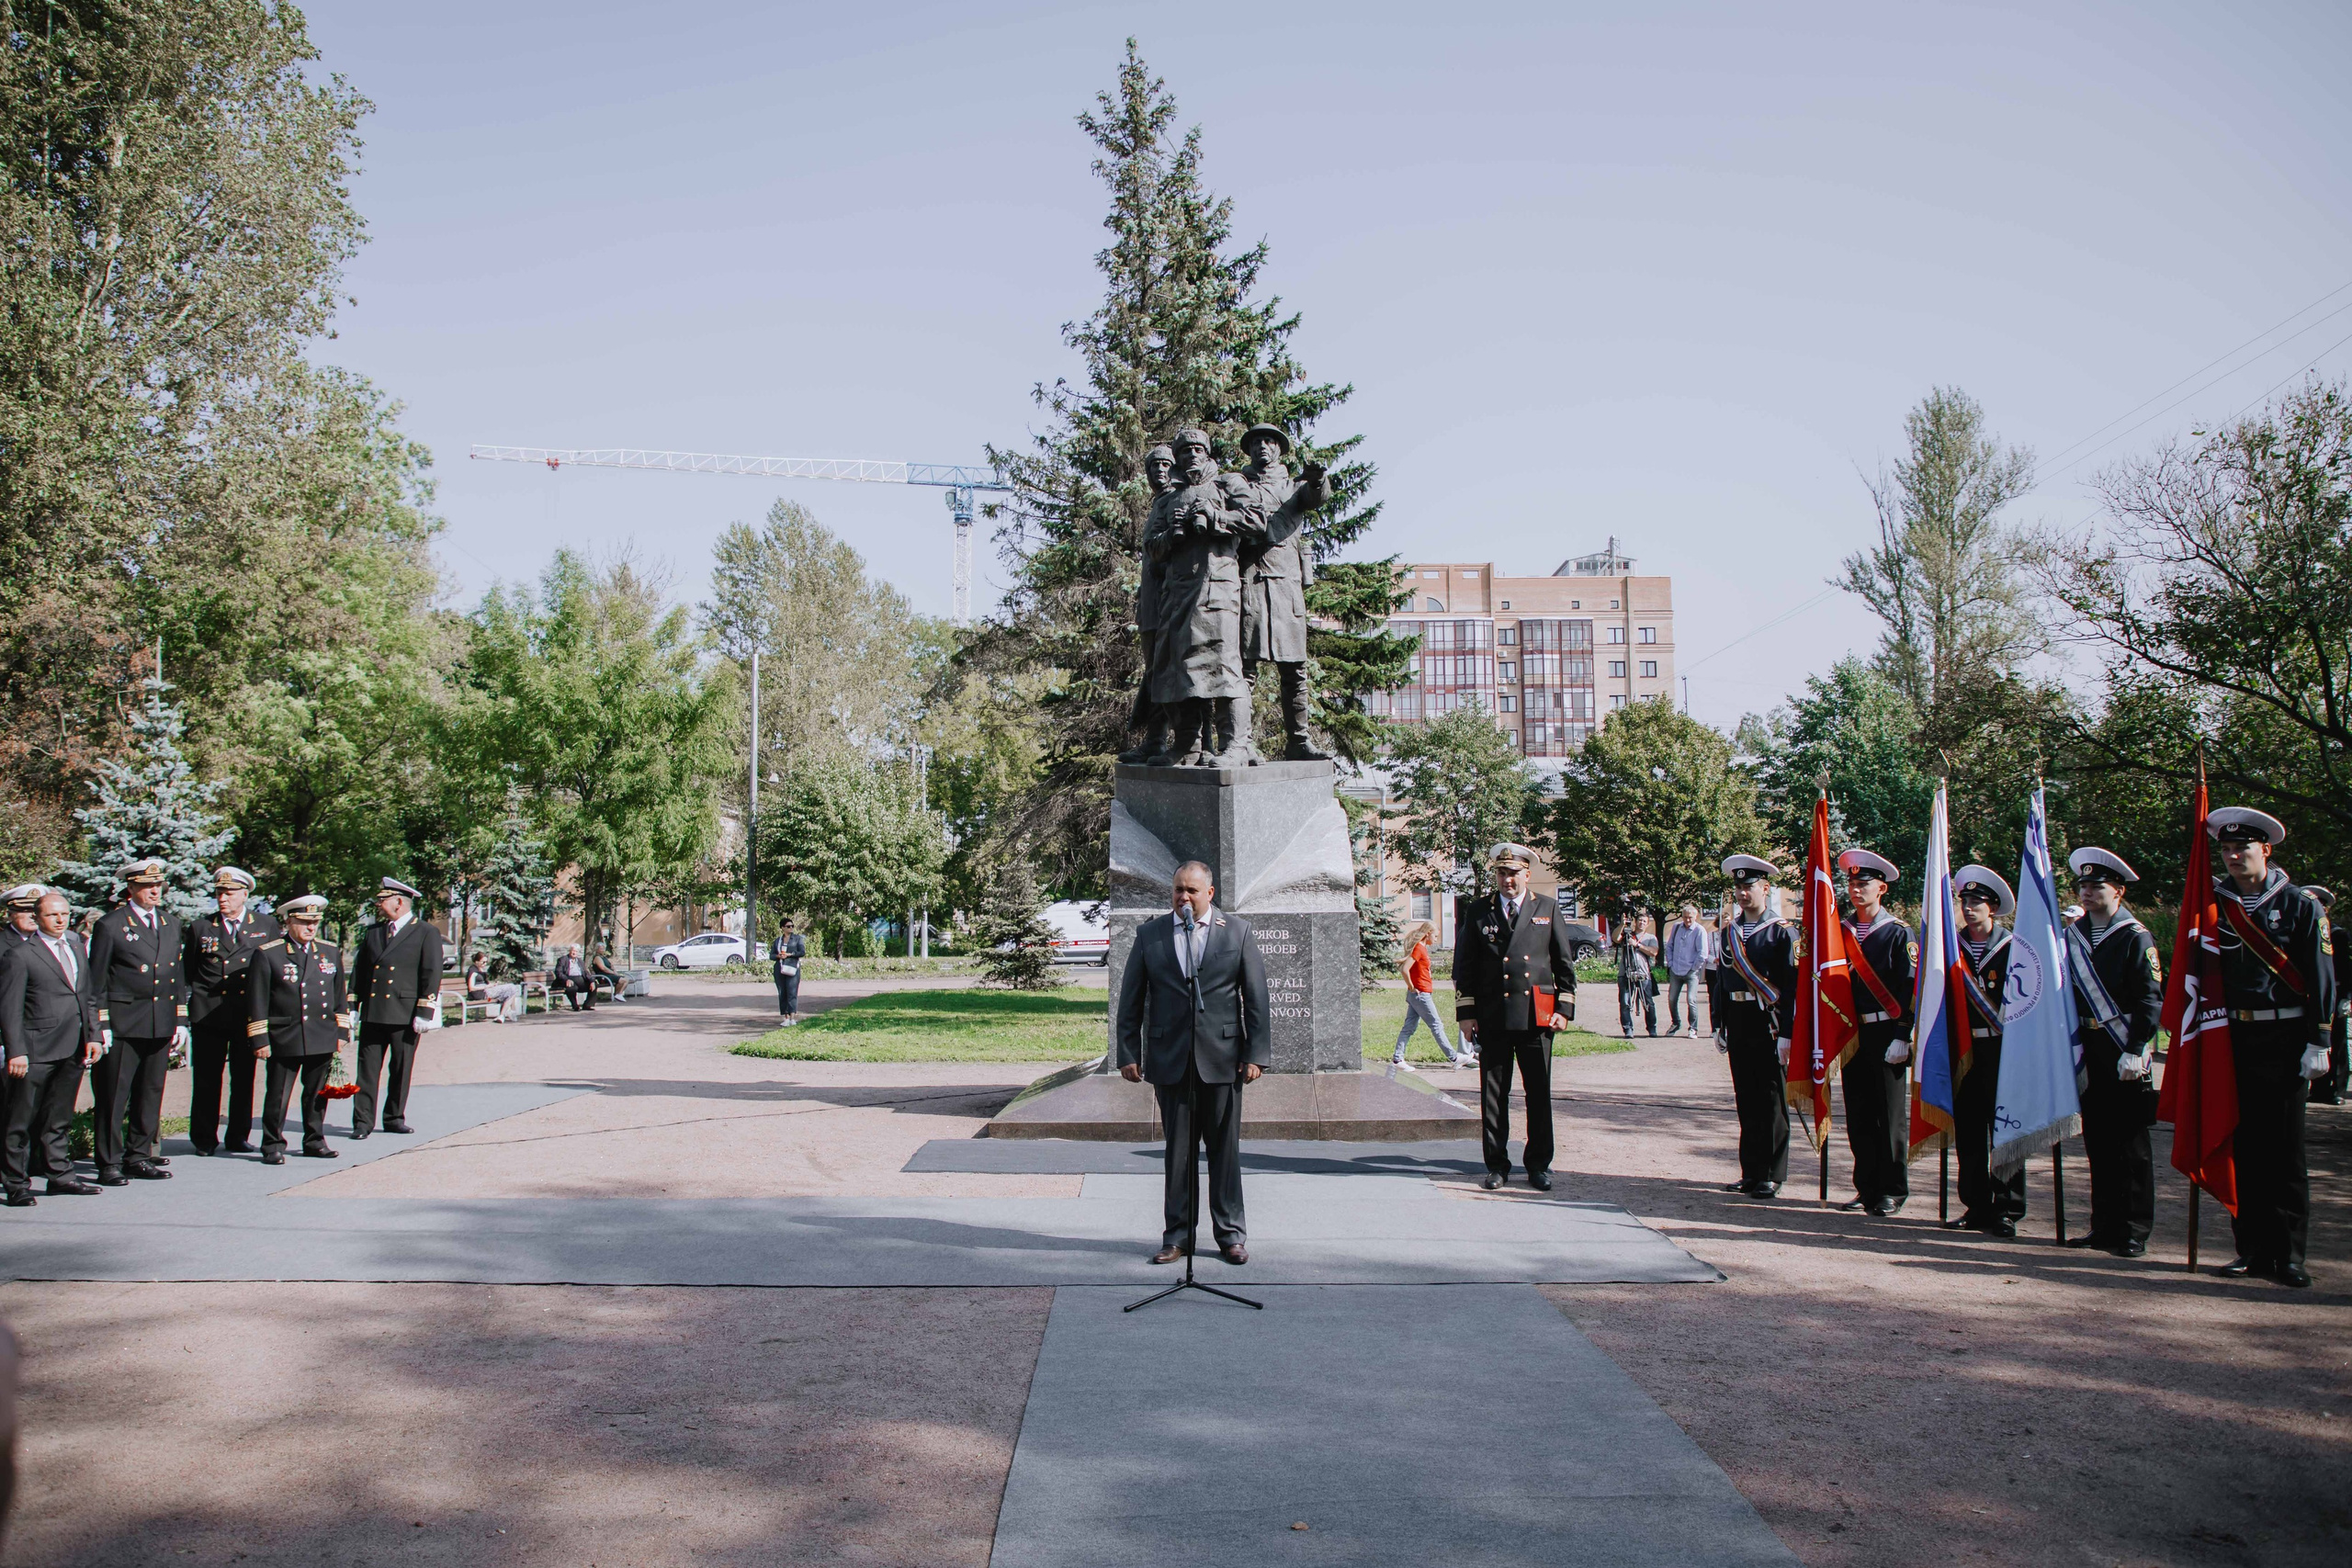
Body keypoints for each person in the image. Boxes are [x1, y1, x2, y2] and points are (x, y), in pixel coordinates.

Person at [1115, 860, 1271, 1265]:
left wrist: (1256, 1054)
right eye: (1178, 890)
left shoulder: (1236, 932)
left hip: (1223, 1060)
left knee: (1224, 1152)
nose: (1183, 897)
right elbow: (1131, 999)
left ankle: (1230, 1235)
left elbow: (1256, 998)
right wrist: (1128, 1052)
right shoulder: (1150, 934)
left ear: (1210, 893)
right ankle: (1178, 1235)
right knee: (1179, 1154)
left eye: (1192, 890)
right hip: (1171, 1060)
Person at [2204, 807, 2333, 1289]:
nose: (2234, 856)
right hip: (2234, 1037)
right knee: (2245, 1148)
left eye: (2243, 848)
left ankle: (2289, 1255)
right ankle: (2252, 1249)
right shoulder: (2212, 902)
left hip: (2286, 1037)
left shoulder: (2300, 905)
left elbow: (2321, 975)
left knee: (2284, 1152)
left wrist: (2320, 1038)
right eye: (2226, 849)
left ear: (2266, 850)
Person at [1453, 842, 1579, 1190]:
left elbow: (1563, 963)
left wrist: (1564, 1009)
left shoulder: (1547, 908)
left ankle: (1538, 1165)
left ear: (1527, 874)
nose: (1507, 879)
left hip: (1536, 1016)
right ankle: (1497, 1165)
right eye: (1501, 873)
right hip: (1493, 1015)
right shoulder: (1480, 910)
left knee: (1538, 1091)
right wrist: (1466, 1013)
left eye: (1513, 873)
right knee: (1494, 1095)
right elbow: (1465, 966)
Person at [2063, 847, 2165, 1258]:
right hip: (2089, 1047)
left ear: (2118, 891)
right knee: (2099, 1141)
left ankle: (2134, 1229)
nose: (2087, 893)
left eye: (2097, 886)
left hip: (2123, 1046)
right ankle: (2103, 1225)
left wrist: (2137, 1047)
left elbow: (2149, 998)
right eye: (2083, 885)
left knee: (2131, 1144)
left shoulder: (2135, 936)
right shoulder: (2073, 936)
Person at [1144, 429, 1251, 765]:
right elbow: (1151, 549)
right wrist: (1170, 534)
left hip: (1217, 589)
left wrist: (1215, 515)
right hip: (1177, 594)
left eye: (1197, 449)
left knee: (1224, 666)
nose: (1192, 455)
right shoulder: (1168, 500)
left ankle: (1235, 746)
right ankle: (1187, 745)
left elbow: (1257, 520)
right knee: (1175, 668)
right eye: (1185, 450)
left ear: (1207, 453)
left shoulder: (1227, 484)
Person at [1232, 423, 1335, 761]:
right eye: (1256, 442)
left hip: (1287, 589)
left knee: (1295, 671)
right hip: (1250, 585)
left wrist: (1317, 479)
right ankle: (1241, 743)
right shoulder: (1238, 485)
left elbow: (1315, 497)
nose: (1262, 446)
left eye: (1269, 441)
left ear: (1278, 449)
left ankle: (1299, 742)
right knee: (1244, 670)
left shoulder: (1293, 487)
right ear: (1249, 450)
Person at [85, 857, 187, 1184]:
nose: (155, 891)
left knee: (150, 1092)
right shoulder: (111, 925)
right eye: (147, 886)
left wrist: (180, 1020)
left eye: (158, 885)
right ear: (131, 888)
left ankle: (139, 1156)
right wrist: (100, 1025)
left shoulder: (170, 923)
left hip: (160, 1021)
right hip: (123, 1023)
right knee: (114, 1096)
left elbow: (176, 974)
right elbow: (97, 981)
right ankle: (109, 1162)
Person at [0, 892, 104, 1204]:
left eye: (65, 914)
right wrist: (16, 1050)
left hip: (72, 1046)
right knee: (20, 1121)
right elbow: (10, 1009)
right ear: (37, 918)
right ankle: (16, 1183)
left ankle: (60, 1176)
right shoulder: (20, 954)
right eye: (52, 915)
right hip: (35, 1050)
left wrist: (94, 1035)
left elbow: (86, 995)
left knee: (59, 1118)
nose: (60, 920)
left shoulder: (75, 945)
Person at [1709, 855, 1794, 1199]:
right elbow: (1720, 980)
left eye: (1749, 887)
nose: (1743, 894)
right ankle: (1751, 1171)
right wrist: (1719, 1023)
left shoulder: (1782, 932)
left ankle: (1772, 1173)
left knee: (1771, 1097)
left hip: (1768, 1022)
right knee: (1746, 1097)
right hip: (1739, 1019)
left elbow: (1792, 986)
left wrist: (1788, 1032)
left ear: (1766, 888)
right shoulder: (1728, 932)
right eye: (1739, 888)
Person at [1836, 849, 1915, 1217]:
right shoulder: (1839, 931)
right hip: (1853, 1033)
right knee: (1859, 1113)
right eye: (1852, 883)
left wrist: (1903, 1034)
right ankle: (1866, 1187)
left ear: (1881, 888)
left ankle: (1892, 1190)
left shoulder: (1899, 932)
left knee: (1889, 1115)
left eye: (1863, 884)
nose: (1856, 889)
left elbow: (1910, 987)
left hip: (1887, 1032)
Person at [1948, 864, 2025, 1237]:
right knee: (1969, 1131)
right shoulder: (1950, 946)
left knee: (2006, 1130)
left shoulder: (2014, 947)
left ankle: (2007, 1208)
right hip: (1964, 1049)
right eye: (1964, 901)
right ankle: (1976, 1205)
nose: (1968, 908)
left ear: (1992, 907)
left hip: (2002, 1049)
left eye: (1976, 902)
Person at [183, 867, 281, 1156]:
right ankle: (204, 1138)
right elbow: (189, 971)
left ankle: (238, 1135)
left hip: (246, 1013)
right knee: (206, 1078)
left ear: (245, 894)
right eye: (219, 893)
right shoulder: (201, 927)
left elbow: (273, 968)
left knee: (243, 1077)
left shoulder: (265, 925)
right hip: (209, 1013)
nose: (223, 898)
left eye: (229, 893)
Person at [249, 895, 349, 1165]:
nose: (311, 928)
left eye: (314, 922)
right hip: (286, 1035)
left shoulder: (329, 951)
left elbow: (339, 996)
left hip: (321, 1033)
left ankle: (314, 1140)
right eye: (304, 922)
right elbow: (258, 1000)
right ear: (289, 921)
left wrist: (341, 1032)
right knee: (278, 1094)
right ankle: (272, 1143)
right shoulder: (269, 953)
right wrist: (260, 1038)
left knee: (317, 1094)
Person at [349, 877, 443, 1139]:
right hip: (374, 1012)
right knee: (366, 1071)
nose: (378, 905)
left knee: (400, 1070)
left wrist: (425, 1011)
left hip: (405, 1013)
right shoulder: (374, 932)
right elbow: (360, 971)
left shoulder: (425, 931)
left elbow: (431, 972)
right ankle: (362, 1122)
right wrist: (353, 1004)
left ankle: (393, 1117)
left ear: (399, 902)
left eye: (383, 900)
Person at [1118, 444, 1180, 764]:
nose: (1159, 470)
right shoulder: (1158, 504)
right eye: (1154, 466)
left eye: (1166, 464)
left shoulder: (1175, 501)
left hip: (1171, 600)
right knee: (1155, 672)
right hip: (1151, 605)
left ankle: (1189, 740)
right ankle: (1155, 740)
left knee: (1167, 671)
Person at [1390, 919, 1473, 1069]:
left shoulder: (1421, 948)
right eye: (1435, 936)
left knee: (1409, 1027)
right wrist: (1411, 987)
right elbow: (1405, 969)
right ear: (1428, 933)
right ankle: (1454, 1058)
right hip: (1421, 995)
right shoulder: (1419, 948)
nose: (1435, 939)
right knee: (1436, 1025)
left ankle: (1397, 1059)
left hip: (1420, 994)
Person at [2305, 886, 2350, 1106]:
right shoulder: (2302, 931)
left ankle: (2336, 1088)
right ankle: (2317, 1088)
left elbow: (2347, 969)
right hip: (2308, 994)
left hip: (2335, 993)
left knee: (2337, 1042)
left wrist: (2347, 997)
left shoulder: (2337, 935)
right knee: (2313, 1039)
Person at [1663, 903, 1709, 1038]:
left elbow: (1703, 953)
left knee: (1691, 1000)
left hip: (1691, 971)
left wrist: (1694, 968)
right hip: (1676, 970)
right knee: (1672, 998)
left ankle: (1693, 1028)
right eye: (1685, 917)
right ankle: (1676, 1023)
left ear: (1695, 917)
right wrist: (1671, 963)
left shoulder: (1699, 930)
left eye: (1690, 917)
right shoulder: (1677, 927)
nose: (1687, 920)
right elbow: (1669, 946)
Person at [1613, 909, 1659, 1038]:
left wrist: (1637, 945)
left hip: (1643, 973)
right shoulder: (1627, 935)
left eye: (1644, 921)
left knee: (1648, 1003)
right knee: (1625, 1002)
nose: (1641, 923)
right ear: (1635, 921)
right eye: (1640, 920)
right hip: (1626, 973)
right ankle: (1628, 1029)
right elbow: (1616, 938)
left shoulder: (1651, 938)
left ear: (1647, 924)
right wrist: (1622, 925)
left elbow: (1654, 952)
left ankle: (1652, 1028)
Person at [466, 957, 522, 1023]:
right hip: (484, 995)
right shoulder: (472, 971)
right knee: (512, 988)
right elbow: (471, 988)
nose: (485, 964)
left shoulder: (480, 970)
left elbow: (484, 983)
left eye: (486, 962)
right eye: (483, 962)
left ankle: (503, 1015)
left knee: (511, 991)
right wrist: (486, 986)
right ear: (477, 961)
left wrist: (492, 985)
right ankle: (510, 1012)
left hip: (488, 996)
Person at [772, 919, 807, 1023]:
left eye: (792, 926)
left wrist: (790, 954)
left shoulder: (797, 939)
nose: (791, 928)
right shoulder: (778, 941)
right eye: (788, 926)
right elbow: (771, 955)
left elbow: (802, 952)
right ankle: (786, 1018)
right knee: (782, 993)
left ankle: (792, 1017)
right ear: (782, 928)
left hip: (793, 968)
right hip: (780, 968)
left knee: (792, 992)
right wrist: (778, 956)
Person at [554, 944, 594, 1011]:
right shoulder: (563, 959)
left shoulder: (580, 961)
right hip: (568, 979)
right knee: (572, 988)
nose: (574, 953)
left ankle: (587, 1005)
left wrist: (591, 981)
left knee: (594, 985)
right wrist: (566, 979)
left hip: (580, 981)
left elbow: (585, 972)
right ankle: (575, 1006)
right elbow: (558, 972)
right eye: (573, 951)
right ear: (569, 951)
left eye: (576, 951)